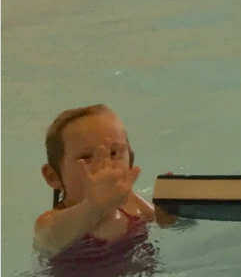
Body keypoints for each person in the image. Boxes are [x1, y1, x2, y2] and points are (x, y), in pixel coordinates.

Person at [35, 105, 160, 258]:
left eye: (114, 153)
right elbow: (50, 238)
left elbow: (164, 222)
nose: (105, 165)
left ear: (130, 160)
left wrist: (175, 207)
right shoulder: (50, 224)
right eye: (86, 157)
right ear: (53, 176)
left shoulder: (132, 204)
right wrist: (94, 206)